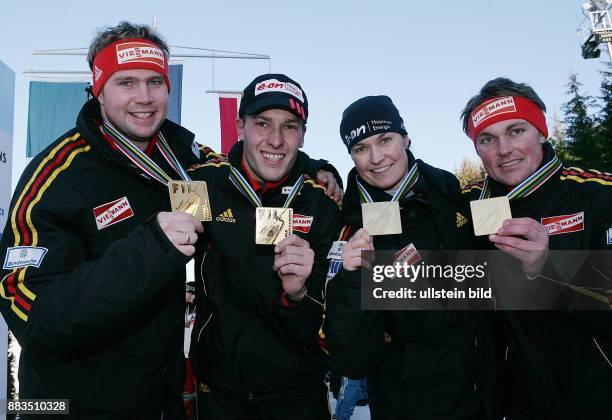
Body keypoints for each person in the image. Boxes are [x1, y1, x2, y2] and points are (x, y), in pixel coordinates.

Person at [325, 96, 494, 419]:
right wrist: (355, 281)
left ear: (406, 138)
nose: (376, 158)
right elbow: (352, 358)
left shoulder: (451, 192)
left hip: (481, 390)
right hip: (408, 402)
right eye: (361, 148)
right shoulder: (348, 224)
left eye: (385, 140)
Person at [188, 73, 341, 419]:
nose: (275, 139)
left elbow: (332, 305)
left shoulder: (322, 201)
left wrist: (300, 294)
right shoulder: (203, 184)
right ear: (240, 127)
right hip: (220, 390)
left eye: (289, 127)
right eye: (262, 123)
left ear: (303, 135)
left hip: (296, 392)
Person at [461, 77, 612, 419]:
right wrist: (331, 177)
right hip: (515, 405)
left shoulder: (598, 195)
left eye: (516, 131)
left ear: (542, 132)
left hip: (596, 400)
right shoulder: (471, 204)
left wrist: (550, 269)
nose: (504, 150)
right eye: (487, 139)